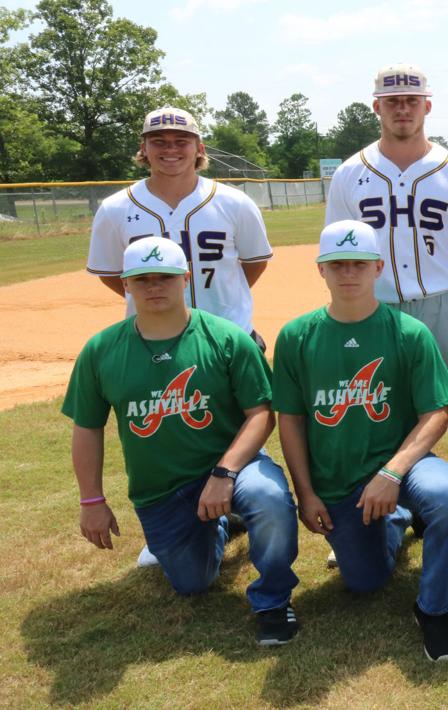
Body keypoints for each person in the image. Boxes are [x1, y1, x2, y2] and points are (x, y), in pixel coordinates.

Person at [62, 237, 300, 646]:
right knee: (192, 582)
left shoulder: (226, 338)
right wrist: (91, 500)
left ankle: (273, 602)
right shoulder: (100, 351)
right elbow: (87, 427)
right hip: (162, 488)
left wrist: (224, 473)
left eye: (165, 277)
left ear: (186, 279)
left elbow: (261, 414)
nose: (154, 286)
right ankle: (222, 523)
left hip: (232, 468)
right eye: (143, 279)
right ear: (125, 284)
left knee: (269, 498)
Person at [325, 64, 448, 555]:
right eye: (392, 101)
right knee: (369, 410)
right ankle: (363, 512)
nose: (402, 109)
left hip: (446, 303)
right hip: (377, 308)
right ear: (377, 107)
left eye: (411, 100)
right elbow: (340, 249)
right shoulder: (350, 173)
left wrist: (437, 282)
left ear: (427, 105)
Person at [272, 220, 448, 662]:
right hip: (338, 478)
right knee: (365, 581)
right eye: (338, 265)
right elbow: (291, 420)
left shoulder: (408, 332)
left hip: (404, 465)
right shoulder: (296, 337)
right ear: (320, 270)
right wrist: (306, 494)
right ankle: (396, 519)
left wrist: (391, 473)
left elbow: (437, 413)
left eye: (359, 264)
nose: (349, 274)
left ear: (378, 268)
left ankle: (434, 609)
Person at [87, 106, 276, 568]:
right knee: (166, 431)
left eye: (180, 140)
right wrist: (159, 307)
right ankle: (172, 522)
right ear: (143, 149)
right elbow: (114, 275)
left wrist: (219, 316)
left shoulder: (234, 203)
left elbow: (253, 264)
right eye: (159, 141)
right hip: (155, 341)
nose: (170, 149)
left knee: (244, 422)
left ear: (199, 148)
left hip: (228, 337)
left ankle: (241, 502)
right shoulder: (116, 209)